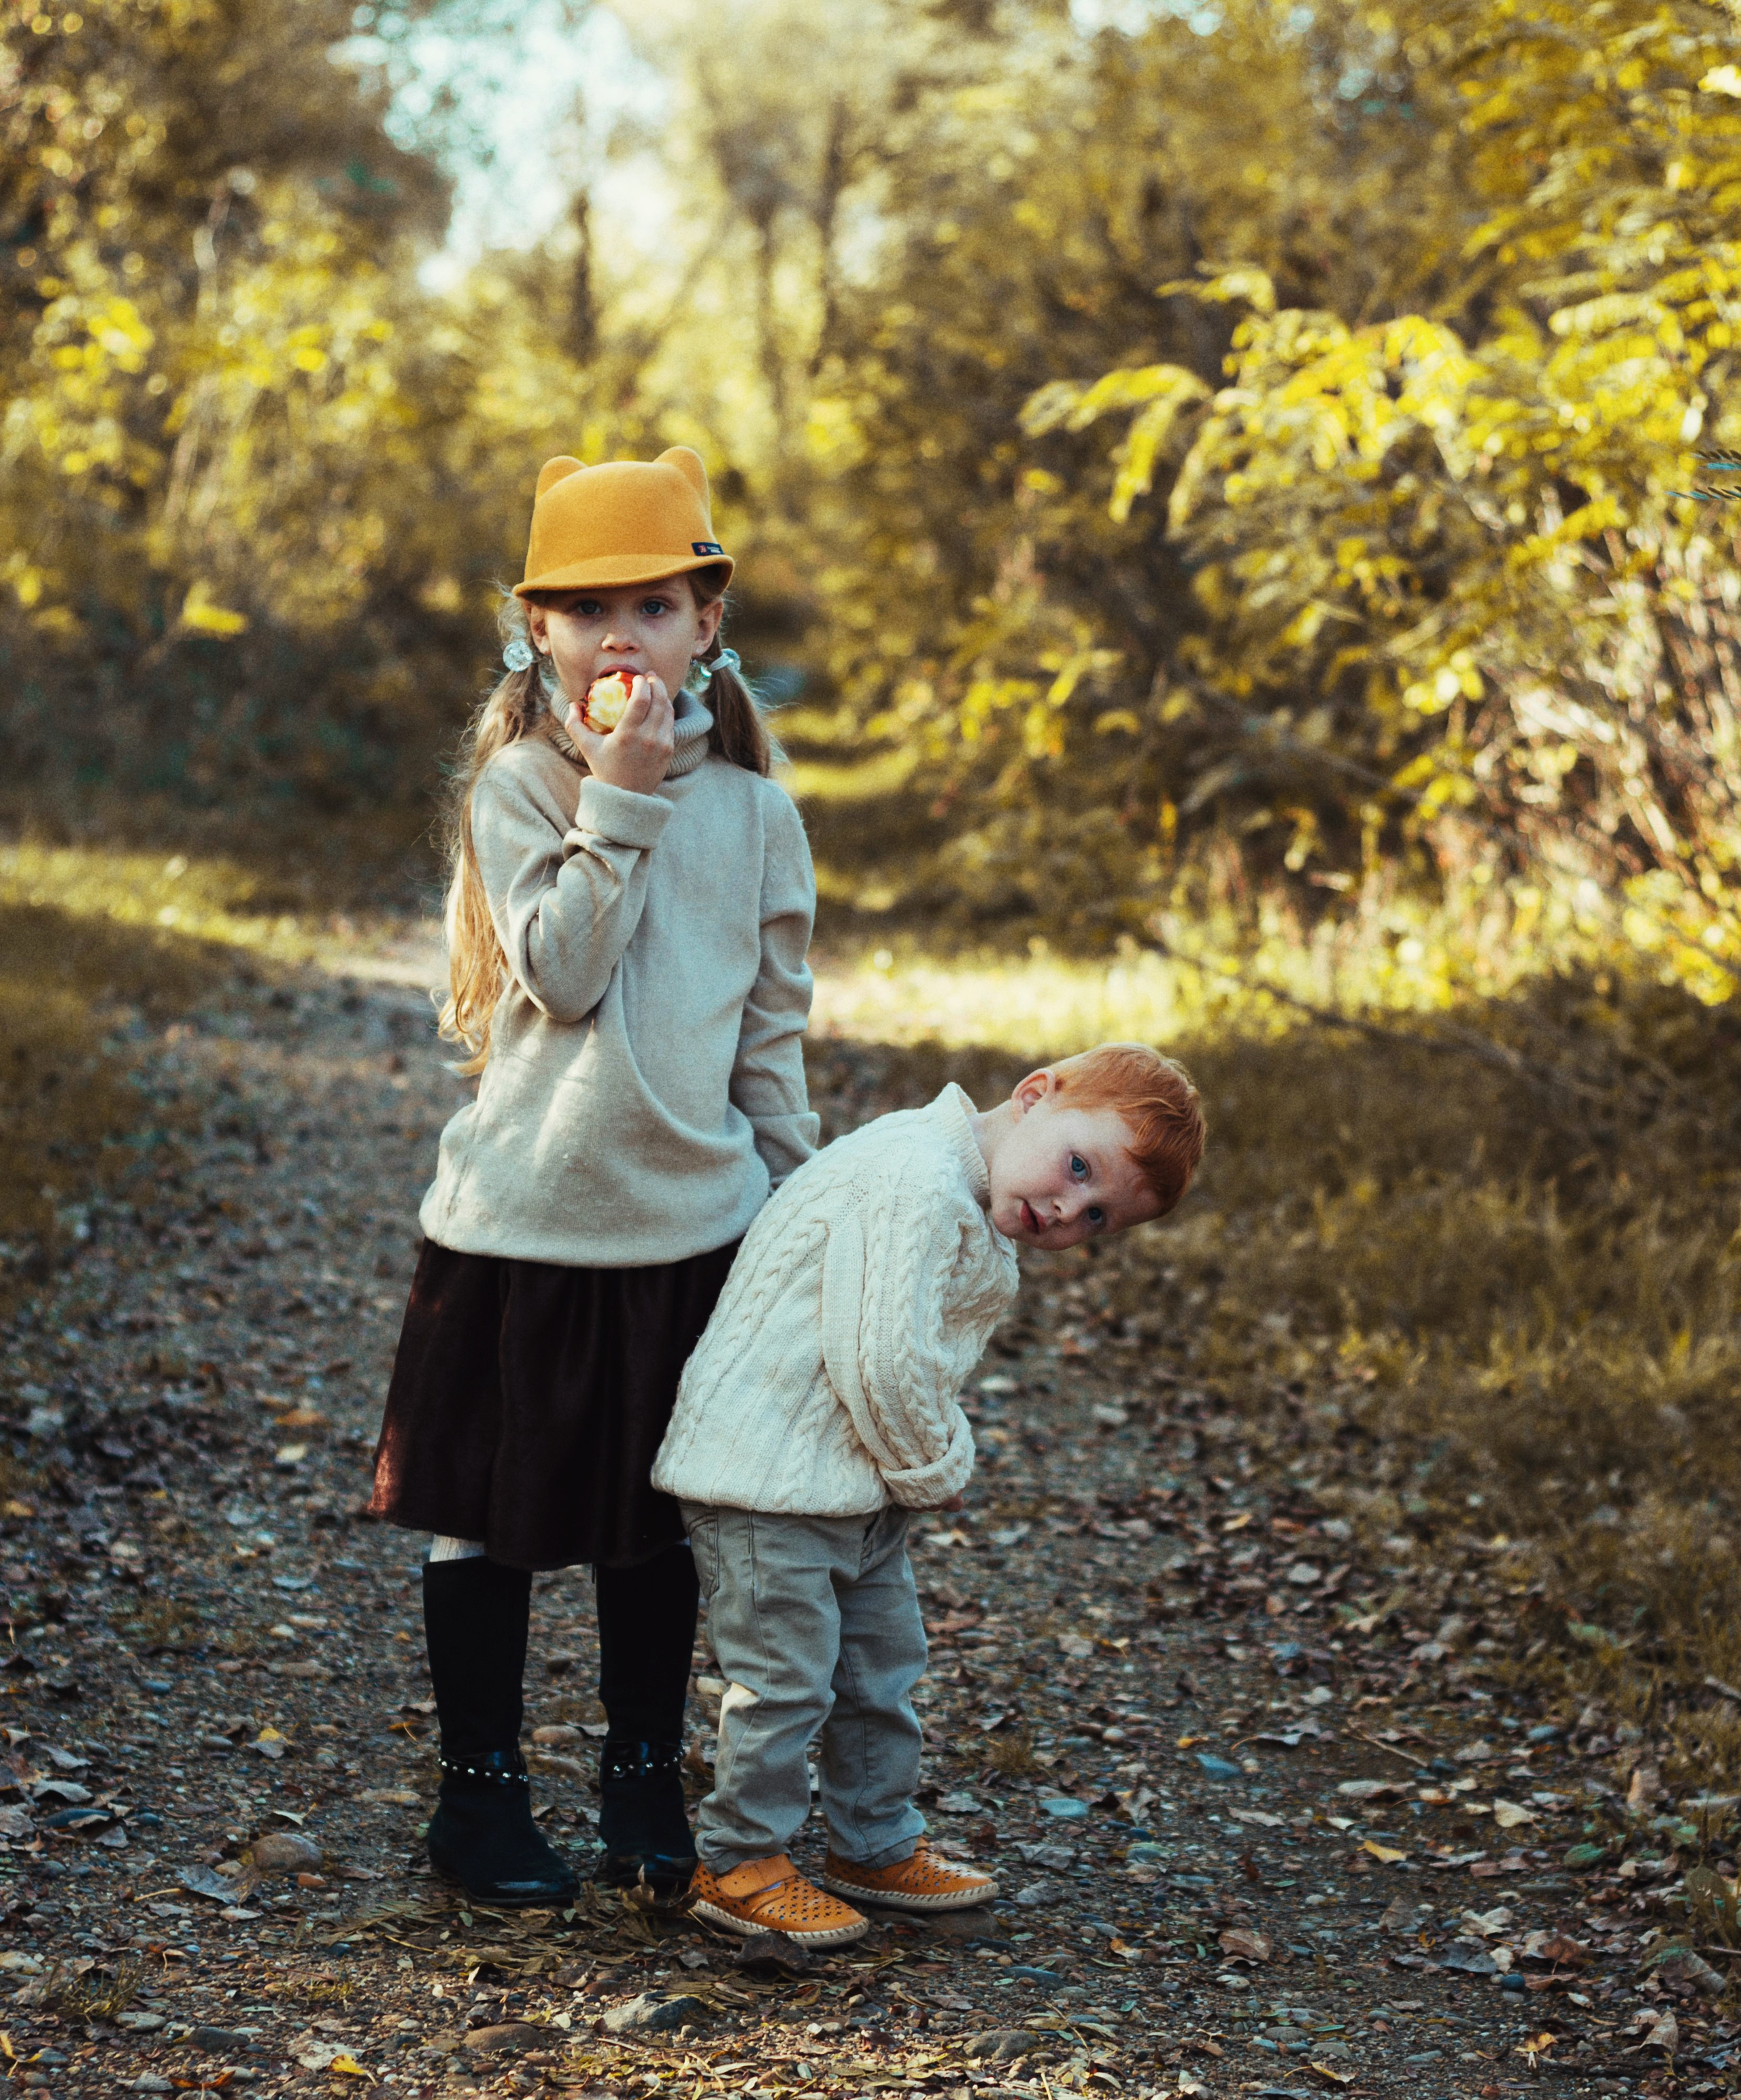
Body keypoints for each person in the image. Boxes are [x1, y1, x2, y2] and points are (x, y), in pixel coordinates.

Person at [368, 447, 818, 1908]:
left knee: (652, 1520)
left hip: (688, 1225)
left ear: (705, 624)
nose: (618, 632)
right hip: (520, 1219)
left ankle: (641, 1774)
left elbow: (770, 1044)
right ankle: (478, 1796)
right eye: (583, 607)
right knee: (488, 1514)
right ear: (536, 631)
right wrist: (616, 795)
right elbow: (559, 972)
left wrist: (799, 1218)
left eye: (651, 602)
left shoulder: (755, 815)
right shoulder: (519, 784)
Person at [652, 1043, 1206, 1944]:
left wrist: (903, 1476)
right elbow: (878, 1361)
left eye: (1098, 1216)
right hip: (767, 1476)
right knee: (785, 1680)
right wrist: (937, 1466)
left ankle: (871, 1843)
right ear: (1034, 1096)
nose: (1068, 1209)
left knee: (880, 1669)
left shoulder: (965, 1188)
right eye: (1077, 1168)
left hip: (853, 1483)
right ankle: (741, 1860)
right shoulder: (913, 1178)